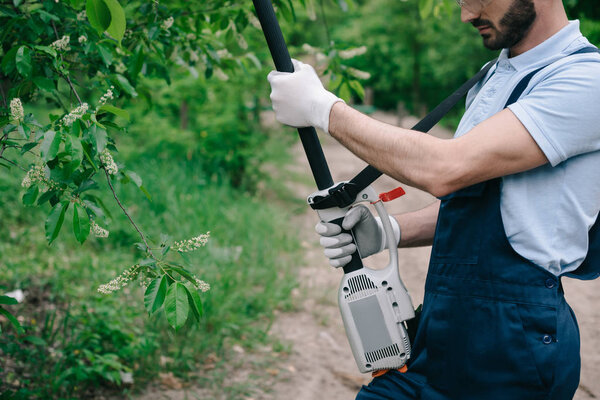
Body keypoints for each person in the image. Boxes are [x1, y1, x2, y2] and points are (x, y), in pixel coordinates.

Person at [267, 0, 600, 398]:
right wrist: (387, 231)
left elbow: (446, 168)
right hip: (444, 328)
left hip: (512, 346)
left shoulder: (585, 80)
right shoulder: (495, 75)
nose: (466, 14)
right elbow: (480, 204)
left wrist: (323, 109)